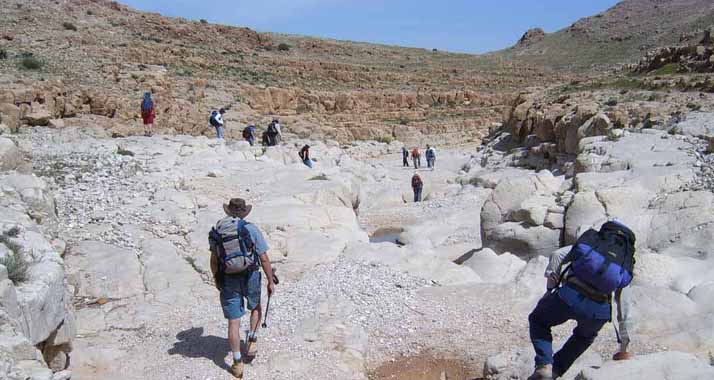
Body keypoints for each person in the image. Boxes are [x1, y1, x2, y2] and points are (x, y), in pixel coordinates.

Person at [527, 221, 635, 380]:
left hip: (568, 296)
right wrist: (624, 347)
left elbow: (557, 255)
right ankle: (555, 371)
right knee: (583, 338)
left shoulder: (595, 243)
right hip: (598, 311)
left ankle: (544, 365)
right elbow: (624, 308)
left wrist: (550, 289)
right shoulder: (624, 261)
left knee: (538, 320)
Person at [209, 198, 276, 379]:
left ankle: (237, 363)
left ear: (228, 211)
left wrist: (217, 279)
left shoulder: (218, 231)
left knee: (233, 321)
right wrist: (270, 280)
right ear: (243, 212)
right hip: (250, 275)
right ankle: (252, 341)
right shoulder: (249, 229)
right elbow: (263, 258)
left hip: (228, 278)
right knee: (255, 307)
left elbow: (214, 260)